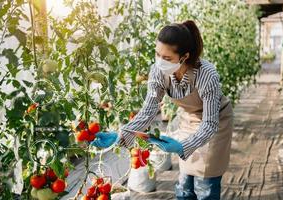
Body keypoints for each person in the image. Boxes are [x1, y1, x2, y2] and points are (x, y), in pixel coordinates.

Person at [91, 20, 233, 200]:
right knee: (184, 183)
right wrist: (120, 136)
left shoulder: (206, 74)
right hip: (189, 119)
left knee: (205, 184)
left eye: (167, 58)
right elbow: (148, 111)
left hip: (216, 123)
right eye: (157, 54)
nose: (160, 61)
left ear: (184, 57)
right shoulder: (157, 71)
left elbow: (210, 124)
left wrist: (183, 146)